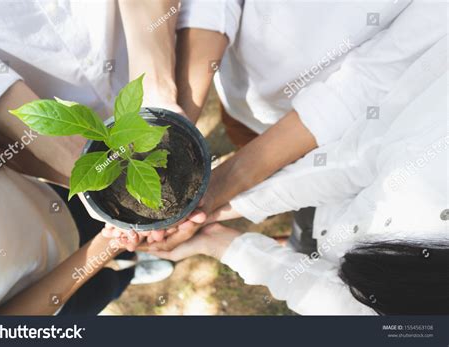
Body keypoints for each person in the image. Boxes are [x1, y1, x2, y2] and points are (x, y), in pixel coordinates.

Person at [141, 55, 449, 315]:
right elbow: (356, 161)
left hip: (338, 238)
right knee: (304, 236)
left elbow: (345, 307)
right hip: (328, 213)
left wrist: (222, 239)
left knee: (306, 244)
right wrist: (222, 207)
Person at [133, 0, 447, 251]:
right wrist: (177, 117)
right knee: (241, 129)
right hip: (241, 84)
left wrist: (227, 181)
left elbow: (371, 79)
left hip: (319, 130)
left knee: (291, 177)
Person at [0, 0, 180, 315]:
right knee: (103, 287)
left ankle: (131, 262)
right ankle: (130, 270)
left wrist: (158, 92)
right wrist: (107, 246)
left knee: (107, 224)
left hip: (41, 192)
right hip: (40, 295)